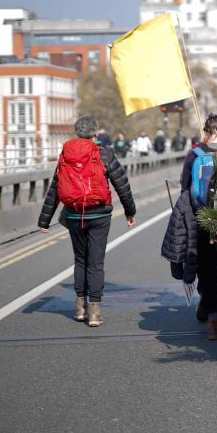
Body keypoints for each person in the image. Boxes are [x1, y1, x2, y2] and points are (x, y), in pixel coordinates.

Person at [38, 115, 136, 327]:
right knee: (96, 262)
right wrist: (130, 212)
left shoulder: (65, 153)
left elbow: (55, 187)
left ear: (76, 132)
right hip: (100, 214)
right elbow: (122, 185)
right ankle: (95, 312)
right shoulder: (104, 154)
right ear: (95, 133)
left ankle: (79, 307)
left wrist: (44, 221)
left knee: (80, 259)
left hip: (73, 214)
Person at [180, 113, 217, 338]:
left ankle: (213, 323)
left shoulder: (195, 154)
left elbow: (185, 188)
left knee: (207, 271)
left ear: (206, 131)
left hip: (202, 218)